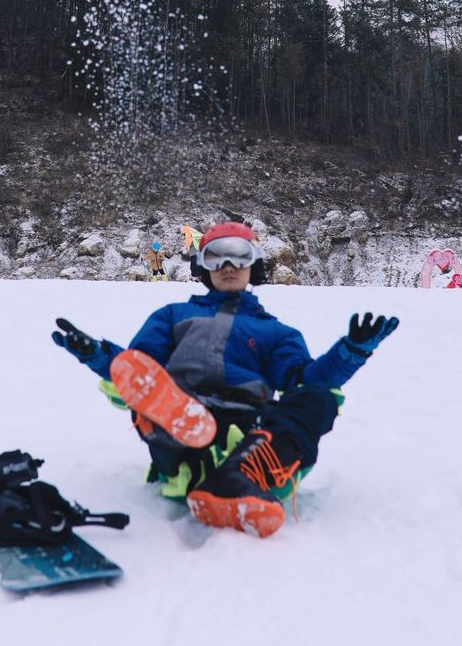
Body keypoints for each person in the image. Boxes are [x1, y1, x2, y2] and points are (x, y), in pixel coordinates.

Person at [53, 221, 399, 538]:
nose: (228, 266)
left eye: (239, 257)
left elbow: (303, 380)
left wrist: (351, 351)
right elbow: (139, 369)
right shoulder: (174, 316)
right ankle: (180, 430)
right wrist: (98, 355)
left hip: (246, 429)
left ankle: (240, 474)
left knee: (319, 397)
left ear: (254, 265)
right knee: (154, 387)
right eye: (216, 257)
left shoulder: (276, 332)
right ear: (203, 266)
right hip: (178, 415)